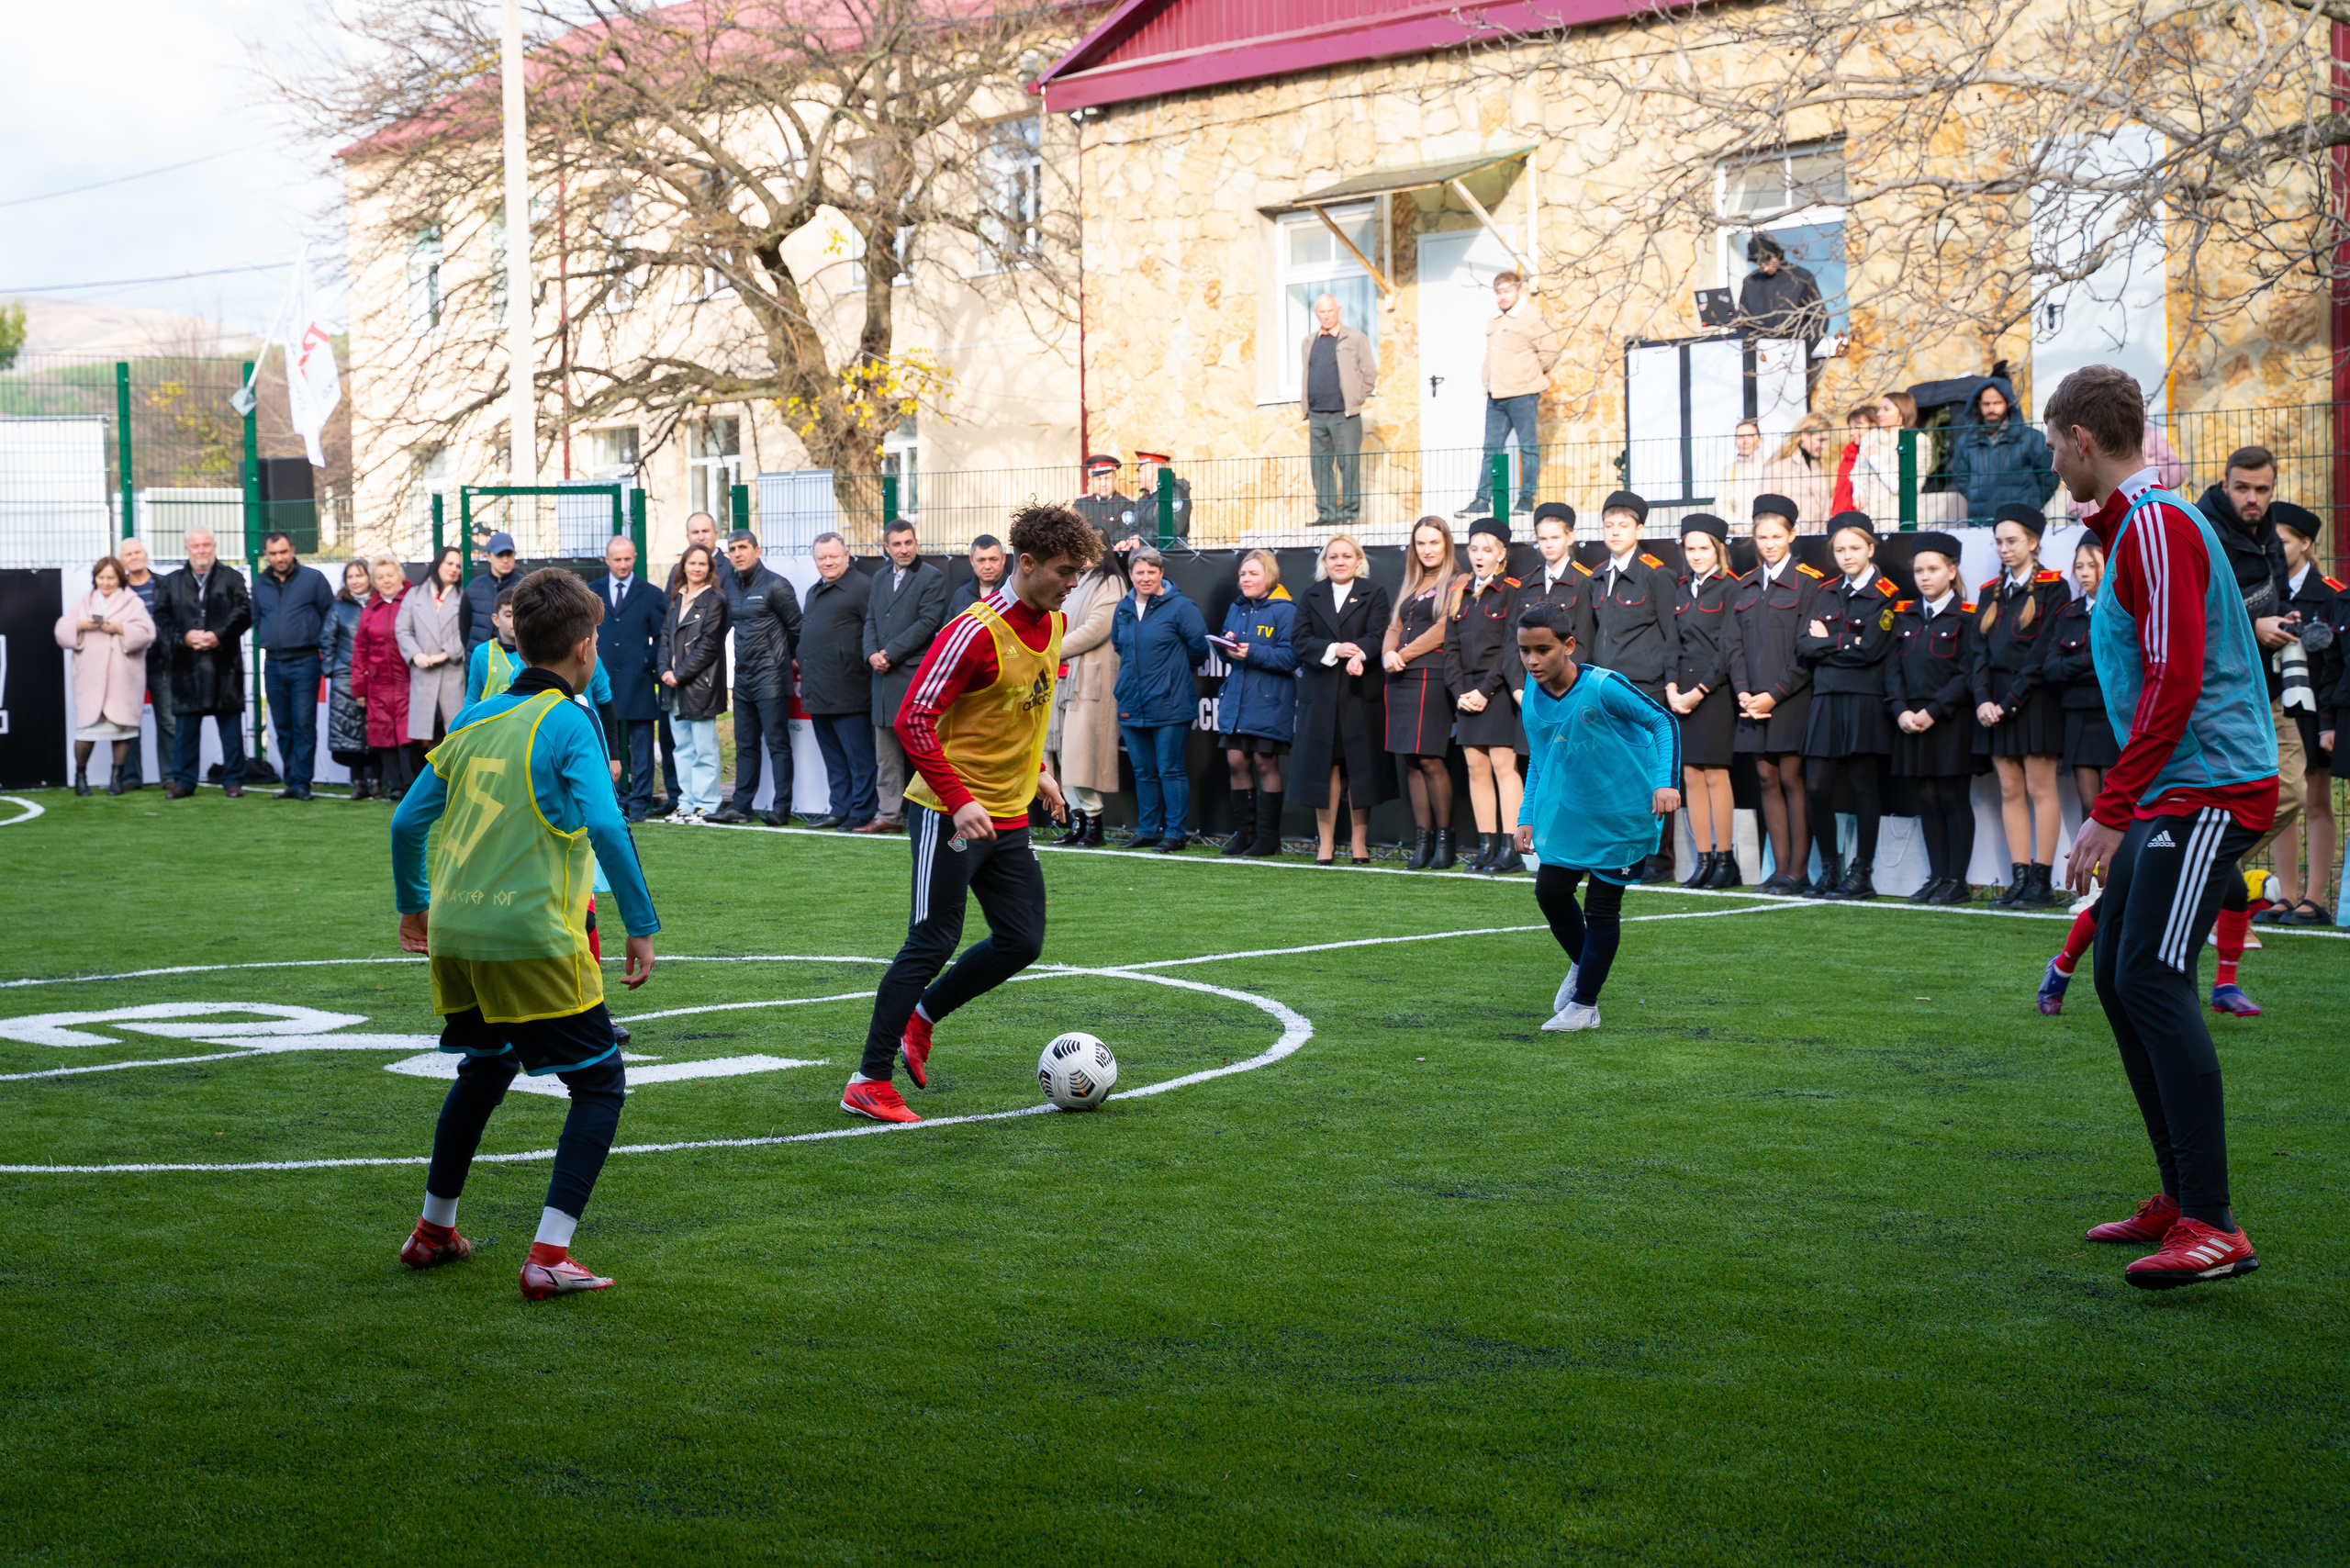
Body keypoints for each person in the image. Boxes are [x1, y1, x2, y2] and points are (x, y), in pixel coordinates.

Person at [2049, 363, 2276, 1291]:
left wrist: (2110, 810)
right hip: (2172, 791)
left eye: (2052, 442)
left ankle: (2213, 1224)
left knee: (2146, 974)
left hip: (2206, 788)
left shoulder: (2154, 525)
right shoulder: (2137, 524)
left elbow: (2175, 677)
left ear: (2083, 441)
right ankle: (2182, 1199)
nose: (2052, 458)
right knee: (2115, 972)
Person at [390, 566, 660, 1302]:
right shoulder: (569, 719)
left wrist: (414, 905)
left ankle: (433, 1230)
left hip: (456, 933)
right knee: (600, 1082)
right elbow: (606, 823)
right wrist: (640, 923)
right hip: (531, 934)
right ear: (583, 649)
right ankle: (548, 1256)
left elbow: (406, 820)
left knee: (485, 1067)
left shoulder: (475, 718)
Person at [840, 504, 1102, 1125]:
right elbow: (912, 720)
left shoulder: (1056, 621)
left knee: (1021, 939)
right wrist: (959, 802)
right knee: (932, 939)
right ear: (1027, 563)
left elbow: (1026, 708)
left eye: (1080, 573)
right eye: (1065, 571)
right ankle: (869, 1080)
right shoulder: (973, 630)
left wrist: (1040, 772)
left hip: (1007, 813)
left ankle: (923, 1018)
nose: (1073, 583)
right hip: (948, 813)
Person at [1513, 603, 1682, 1033]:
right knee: (1550, 893)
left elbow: (1664, 722)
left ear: (1568, 646)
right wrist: (1527, 814)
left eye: (1543, 650)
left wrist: (1665, 782)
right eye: (1524, 650)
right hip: (1572, 814)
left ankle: (1585, 1005)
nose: (1532, 660)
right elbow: (1540, 758)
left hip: (1624, 814)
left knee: (1602, 908)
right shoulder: (1531, 693)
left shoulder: (1605, 687)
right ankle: (1584, 963)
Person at [1796, 513, 1899, 900]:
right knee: (1818, 786)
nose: (1847, 555)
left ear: (1871, 548)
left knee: (1862, 787)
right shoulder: (1825, 590)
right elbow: (1803, 646)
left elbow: (1872, 649)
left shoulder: (1886, 592)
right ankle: (1829, 869)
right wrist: (1847, 644)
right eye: (1839, 549)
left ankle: (1863, 874)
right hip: (1826, 697)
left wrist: (1831, 642)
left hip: (1863, 700)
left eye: (1854, 548)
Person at [1973, 504, 2069, 908]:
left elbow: (2043, 652)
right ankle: (2020, 876)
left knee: (2039, 787)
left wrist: (2009, 702)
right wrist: (1982, 700)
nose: (2004, 548)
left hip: (2033, 701)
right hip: (1994, 702)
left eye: (2012, 541)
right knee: (2009, 789)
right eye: (1999, 542)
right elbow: (1975, 653)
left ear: (2033, 542)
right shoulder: (1988, 593)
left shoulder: (2054, 588)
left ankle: (2042, 882)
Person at [1729, 496, 1824, 891]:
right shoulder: (1746, 585)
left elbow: (1808, 651)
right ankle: (1778, 869)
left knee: (1791, 777)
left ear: (1792, 536)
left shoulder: (1808, 584)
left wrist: (1773, 695)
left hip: (1790, 699)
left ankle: (1797, 872)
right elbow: (1733, 645)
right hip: (1752, 701)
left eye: (1777, 536)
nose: (1769, 543)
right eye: (1762, 537)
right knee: (1766, 778)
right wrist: (1744, 692)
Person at [1885, 532, 1983, 904]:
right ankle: (1937, 876)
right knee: (1925, 798)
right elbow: (1892, 670)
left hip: (1949, 721)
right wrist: (1901, 711)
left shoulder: (1967, 615)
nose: (1925, 577)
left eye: (1933, 569)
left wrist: (1933, 711)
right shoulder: (1905, 615)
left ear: (1951, 570)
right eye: (1919, 570)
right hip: (1910, 720)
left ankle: (1957, 880)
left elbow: (1968, 672)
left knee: (1951, 797)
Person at [1588, 490, 1682, 881]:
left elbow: (1671, 634)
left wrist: (1669, 684)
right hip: (1603, 690)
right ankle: (1614, 855)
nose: (1615, 531)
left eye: (1623, 525)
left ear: (1640, 529)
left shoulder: (1655, 574)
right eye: (1609, 525)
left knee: (1649, 776)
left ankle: (1658, 859)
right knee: (1609, 777)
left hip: (1645, 689)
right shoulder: (1595, 577)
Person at [1292, 533, 1396, 866]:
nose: (1340, 562)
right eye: (1333, 556)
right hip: (1320, 693)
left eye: (1346, 556)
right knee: (1327, 766)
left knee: (1361, 767)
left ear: (1358, 561)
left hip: (1359, 692)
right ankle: (1325, 845)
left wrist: (1361, 653)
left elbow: (1381, 633)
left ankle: (1358, 843)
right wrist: (1333, 650)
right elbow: (1299, 640)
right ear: (1324, 563)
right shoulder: (1311, 595)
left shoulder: (1374, 593)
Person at [1111, 544, 1209, 851]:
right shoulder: (1123, 608)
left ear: (1161, 573)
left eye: (1152, 571)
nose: (1145, 577)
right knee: (1143, 772)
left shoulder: (1181, 607)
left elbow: (1199, 649)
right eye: (1140, 572)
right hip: (1131, 702)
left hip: (1171, 703)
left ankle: (1176, 833)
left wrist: (1170, 675)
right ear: (1130, 574)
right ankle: (1148, 829)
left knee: (1170, 769)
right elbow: (1119, 645)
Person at [1443, 520, 1527, 874]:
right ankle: (1486, 846)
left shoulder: (1512, 591)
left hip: (1498, 690)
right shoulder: (1458, 591)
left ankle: (1513, 848)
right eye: (1473, 549)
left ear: (1502, 554)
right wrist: (1460, 691)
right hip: (1466, 693)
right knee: (1476, 768)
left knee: (1502, 766)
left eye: (1487, 549)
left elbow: (1511, 647)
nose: (1478, 556)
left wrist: (1484, 691)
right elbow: (1450, 648)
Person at [2266, 502, 2336, 922]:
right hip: (2273, 708)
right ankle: (2286, 894)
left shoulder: (2328, 593)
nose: (2274, 547)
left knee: (2315, 799)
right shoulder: (2265, 588)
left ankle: (2316, 898)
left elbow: (2334, 662)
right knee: (2279, 798)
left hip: (2314, 710)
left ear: (2305, 543)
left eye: (2283, 540)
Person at [1384, 517, 1464, 870]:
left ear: (1446, 544)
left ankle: (1445, 842)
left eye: (1434, 542)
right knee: (1411, 760)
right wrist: (1388, 653)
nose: (1427, 549)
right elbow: (1393, 626)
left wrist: (1402, 653)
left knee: (1431, 759)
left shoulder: (1458, 580)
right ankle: (1423, 840)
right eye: (1421, 543)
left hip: (1431, 676)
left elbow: (1444, 628)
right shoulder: (1411, 583)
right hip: (1399, 677)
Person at [710, 529, 802, 826]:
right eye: (732, 549)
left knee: (777, 744)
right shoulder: (729, 585)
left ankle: (781, 808)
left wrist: (792, 659)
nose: (737, 553)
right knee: (744, 744)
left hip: (773, 677)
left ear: (757, 550)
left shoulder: (777, 584)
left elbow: (797, 628)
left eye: (743, 547)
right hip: (743, 678)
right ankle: (741, 806)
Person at [863, 520, 951, 833]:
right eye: (897, 544)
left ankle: (930, 815)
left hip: (913, 678)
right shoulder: (880, 577)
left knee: (923, 753)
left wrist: (890, 654)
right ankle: (888, 815)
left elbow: (928, 623)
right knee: (886, 756)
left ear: (916, 543)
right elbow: (871, 618)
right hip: (881, 679)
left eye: (908, 542)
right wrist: (871, 652)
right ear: (886, 547)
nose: (904, 549)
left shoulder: (932, 577)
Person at [151, 526, 252, 799]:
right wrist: (184, 637)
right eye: (196, 546)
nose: (201, 550)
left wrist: (218, 636)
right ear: (187, 549)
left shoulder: (233, 578)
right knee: (185, 730)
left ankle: (233, 780)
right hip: (185, 666)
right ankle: (183, 781)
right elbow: (162, 618)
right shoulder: (171, 582)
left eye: (206, 545)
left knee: (231, 729)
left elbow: (244, 612)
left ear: (214, 546)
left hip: (225, 666)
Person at [1667, 514, 1740, 888]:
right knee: (1690, 776)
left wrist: (1699, 692)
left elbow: (1729, 649)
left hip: (1715, 692)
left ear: (1719, 550)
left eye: (1703, 548)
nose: (1696, 555)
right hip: (1681, 695)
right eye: (1690, 548)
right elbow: (1672, 644)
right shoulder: (1679, 589)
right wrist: (1672, 688)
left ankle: (1726, 861)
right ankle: (1704, 859)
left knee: (1714, 774)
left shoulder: (1732, 588)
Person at [1214, 548, 1300, 858]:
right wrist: (1226, 647)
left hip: (1270, 699)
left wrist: (1251, 652)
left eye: (1253, 574)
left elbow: (1291, 657)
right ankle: (1244, 834)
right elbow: (1226, 647)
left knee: (1265, 763)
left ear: (1269, 577)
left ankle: (1268, 837)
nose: (1246, 579)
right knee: (1236, 761)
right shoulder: (1237, 607)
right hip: (1237, 698)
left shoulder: (1285, 610)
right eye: (1242, 574)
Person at [1456, 271, 1560, 520]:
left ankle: (1526, 499)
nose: (1502, 296)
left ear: (1518, 290)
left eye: (1506, 291)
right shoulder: (1495, 319)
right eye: (1498, 292)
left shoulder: (1533, 316)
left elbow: (1550, 351)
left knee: (1528, 448)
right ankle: (1483, 499)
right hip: (1496, 394)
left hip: (1523, 393)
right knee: (1491, 449)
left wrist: (1530, 374)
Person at [53, 555, 155, 795]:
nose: (106, 582)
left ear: (119, 578)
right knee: (86, 731)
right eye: (101, 577)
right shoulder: (83, 602)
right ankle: (81, 777)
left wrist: (120, 629)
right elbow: (61, 631)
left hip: (122, 676)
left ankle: (116, 779)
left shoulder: (133, 602)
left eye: (111, 577)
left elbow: (147, 633)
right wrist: (80, 626)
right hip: (91, 677)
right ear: (95, 578)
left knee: (122, 730)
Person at [1044, 542, 1124, 847]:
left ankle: (1094, 824)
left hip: (1089, 679)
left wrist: (1052, 650)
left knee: (1081, 754)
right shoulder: (1076, 580)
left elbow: (1098, 627)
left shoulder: (1111, 581)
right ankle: (1077, 821)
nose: (1083, 557)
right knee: (1064, 753)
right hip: (1063, 679)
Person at [2043, 536, 2118, 854]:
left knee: (2114, 805)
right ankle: (2092, 883)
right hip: (2078, 717)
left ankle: (2117, 882)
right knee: (2089, 804)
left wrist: (2078, 666)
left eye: (2093, 565)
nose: (2085, 572)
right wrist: (2090, 661)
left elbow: (2122, 666)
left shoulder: (2122, 609)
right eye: (2079, 566)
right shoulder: (2068, 613)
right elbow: (2051, 669)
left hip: (2113, 717)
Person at [799, 532, 878, 831]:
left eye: (834, 556)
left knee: (859, 759)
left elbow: (873, 631)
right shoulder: (813, 592)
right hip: (818, 691)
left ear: (847, 555)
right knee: (833, 759)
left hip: (851, 690)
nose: (828, 562)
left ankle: (861, 812)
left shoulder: (862, 588)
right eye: (822, 558)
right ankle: (839, 809)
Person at [252, 531, 337, 801]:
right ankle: (291, 780)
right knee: (282, 725)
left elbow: (330, 617)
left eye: (283, 552)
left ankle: (302, 782)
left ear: (293, 550)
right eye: (273, 553)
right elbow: (257, 619)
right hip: (273, 664)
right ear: (266, 555)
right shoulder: (259, 584)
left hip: (306, 661)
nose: (279, 558)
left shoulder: (313, 579)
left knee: (303, 723)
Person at [653, 512, 724, 807]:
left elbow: (708, 646)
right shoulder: (676, 597)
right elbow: (665, 638)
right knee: (681, 747)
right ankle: (687, 802)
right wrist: (663, 671)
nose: (696, 568)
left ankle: (707, 804)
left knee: (704, 749)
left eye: (701, 564)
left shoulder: (716, 599)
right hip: (673, 686)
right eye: (691, 563)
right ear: (684, 566)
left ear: (709, 568)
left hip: (700, 686)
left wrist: (679, 674)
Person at [593, 535, 666, 822]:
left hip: (639, 682)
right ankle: (617, 800)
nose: (623, 565)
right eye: (617, 559)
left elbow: (661, 636)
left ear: (635, 557)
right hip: (604, 679)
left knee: (642, 745)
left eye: (627, 559)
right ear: (607, 560)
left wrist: (645, 662)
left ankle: (640, 803)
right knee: (612, 744)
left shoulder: (651, 593)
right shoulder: (592, 591)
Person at [1300, 292, 1379, 526]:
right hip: (1317, 414)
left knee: (1349, 463)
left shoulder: (1355, 338)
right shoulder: (1308, 342)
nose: (1326, 315)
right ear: (1316, 314)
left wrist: (1356, 397)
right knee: (1320, 465)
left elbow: (1369, 374)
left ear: (1339, 310)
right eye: (1321, 311)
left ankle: (1349, 514)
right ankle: (1327, 514)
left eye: (1330, 310)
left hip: (1345, 414)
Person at [1949, 375, 2058, 523]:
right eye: (1986, 404)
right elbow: (1962, 480)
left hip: (2022, 520)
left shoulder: (2032, 438)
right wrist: (1978, 500)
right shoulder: (1966, 442)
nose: (1991, 409)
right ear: (1978, 405)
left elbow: (2049, 476)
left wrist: (2033, 504)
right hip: (1980, 521)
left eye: (1997, 403)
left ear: (2007, 404)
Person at [352, 556, 416, 800]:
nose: (385, 580)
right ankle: (396, 787)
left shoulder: (413, 601)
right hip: (378, 684)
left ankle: (412, 786)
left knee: (408, 736)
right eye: (379, 577)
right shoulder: (370, 610)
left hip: (408, 681)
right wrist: (359, 689)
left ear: (400, 575)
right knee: (384, 736)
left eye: (389, 575)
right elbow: (360, 651)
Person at [397, 545, 468, 761]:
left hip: (451, 675)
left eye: (458, 566)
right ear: (438, 564)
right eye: (449, 563)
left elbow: (465, 632)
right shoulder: (414, 594)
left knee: (453, 736)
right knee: (426, 741)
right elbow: (402, 629)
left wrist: (444, 654)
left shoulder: (463, 598)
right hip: (423, 675)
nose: (454, 569)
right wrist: (416, 655)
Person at [116, 538, 168, 791]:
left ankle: (170, 776)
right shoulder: (117, 589)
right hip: (128, 664)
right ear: (122, 561)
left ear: (146, 555)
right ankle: (130, 777)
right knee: (128, 721)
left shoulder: (163, 584)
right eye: (128, 555)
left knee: (168, 720)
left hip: (161, 662)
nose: (134, 557)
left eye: (138, 552)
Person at [326, 560, 375, 798]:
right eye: (350, 577)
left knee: (376, 729)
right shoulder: (339, 607)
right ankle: (358, 783)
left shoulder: (379, 603)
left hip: (376, 676)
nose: (355, 580)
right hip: (345, 678)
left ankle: (377, 781)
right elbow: (328, 640)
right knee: (350, 731)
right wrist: (332, 670)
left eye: (360, 575)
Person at [1734, 231, 1825, 344]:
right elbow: (1743, 324)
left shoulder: (1801, 278)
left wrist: (1804, 349)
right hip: (1759, 354)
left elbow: (1819, 319)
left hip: (1794, 351)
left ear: (1777, 255)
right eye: (1760, 265)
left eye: (1768, 263)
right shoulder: (1750, 283)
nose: (1765, 269)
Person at [1758, 411, 1837, 531]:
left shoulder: (1821, 467)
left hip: (1819, 538)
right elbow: (1765, 507)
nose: (1825, 446)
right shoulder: (1778, 467)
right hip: (1790, 537)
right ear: (1804, 435)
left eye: (1827, 441)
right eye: (1821, 440)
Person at [460, 530, 522, 651]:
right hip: (482, 661)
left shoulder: (525, 587)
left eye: (509, 554)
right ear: (488, 557)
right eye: (500, 555)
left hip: (516, 660)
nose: (505, 560)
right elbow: (464, 628)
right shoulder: (474, 588)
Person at [1717, 420, 1769, 529]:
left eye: (1750, 436)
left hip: (1765, 531)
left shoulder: (1771, 466)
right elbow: (1721, 504)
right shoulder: (1729, 470)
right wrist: (1735, 525)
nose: (1745, 441)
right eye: (1740, 437)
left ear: (1760, 440)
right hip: (1737, 534)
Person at [1072, 455, 1131, 542]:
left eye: (1107, 478)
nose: (1103, 484)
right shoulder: (1080, 504)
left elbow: (1127, 531)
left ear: (1115, 479)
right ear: (1091, 481)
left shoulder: (1126, 504)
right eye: (1098, 479)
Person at [950, 533, 1009, 614]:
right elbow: (950, 626)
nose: (987, 566)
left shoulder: (1015, 593)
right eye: (981, 560)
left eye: (993, 559)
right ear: (971, 560)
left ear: (1003, 559)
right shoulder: (960, 595)